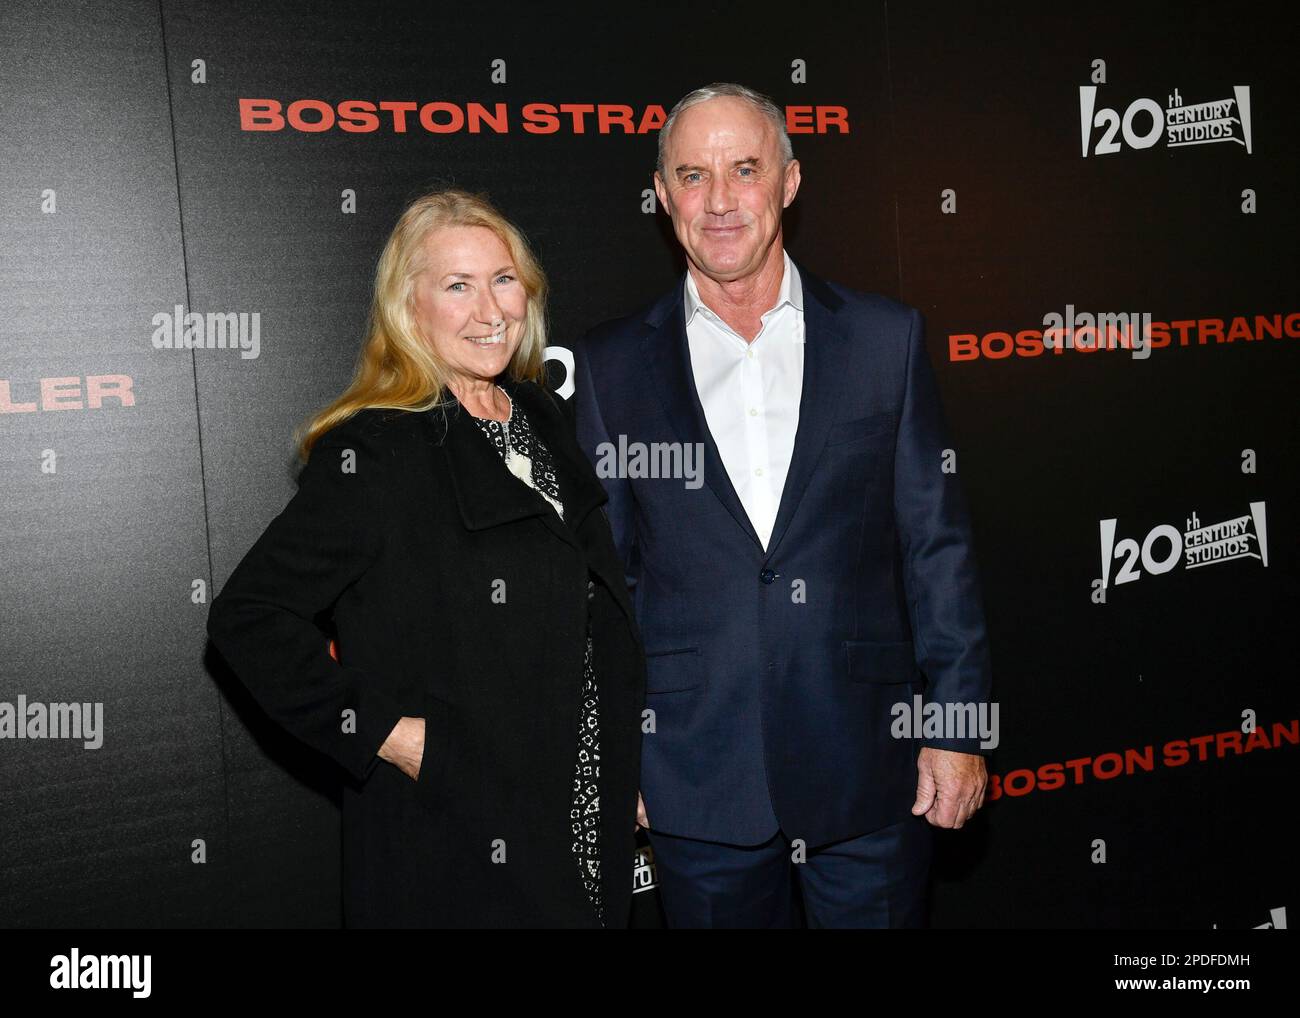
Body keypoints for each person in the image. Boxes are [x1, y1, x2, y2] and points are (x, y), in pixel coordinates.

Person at [573, 83, 993, 928]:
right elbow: (603, 585)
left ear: (790, 182)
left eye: (745, 169)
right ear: (662, 195)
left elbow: (936, 548)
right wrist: (614, 756)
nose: (719, 201)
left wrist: (958, 724)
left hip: (870, 764)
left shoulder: (885, 339)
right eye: (692, 175)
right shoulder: (610, 367)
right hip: (695, 774)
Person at [206, 188, 646, 928]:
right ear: (409, 308)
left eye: (503, 279)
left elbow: (588, 605)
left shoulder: (538, 415)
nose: (490, 309)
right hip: (457, 824)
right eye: (457, 286)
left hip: (574, 800)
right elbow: (249, 617)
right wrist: (392, 736)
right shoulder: (378, 449)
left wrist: (614, 761)